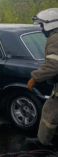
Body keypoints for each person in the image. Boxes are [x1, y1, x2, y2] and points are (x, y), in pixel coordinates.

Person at [26, 8, 58, 148]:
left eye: (41, 25)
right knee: (51, 110)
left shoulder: (55, 39)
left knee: (50, 110)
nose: (40, 29)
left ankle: (43, 143)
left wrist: (35, 77)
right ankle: (45, 140)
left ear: (49, 24)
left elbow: (53, 65)